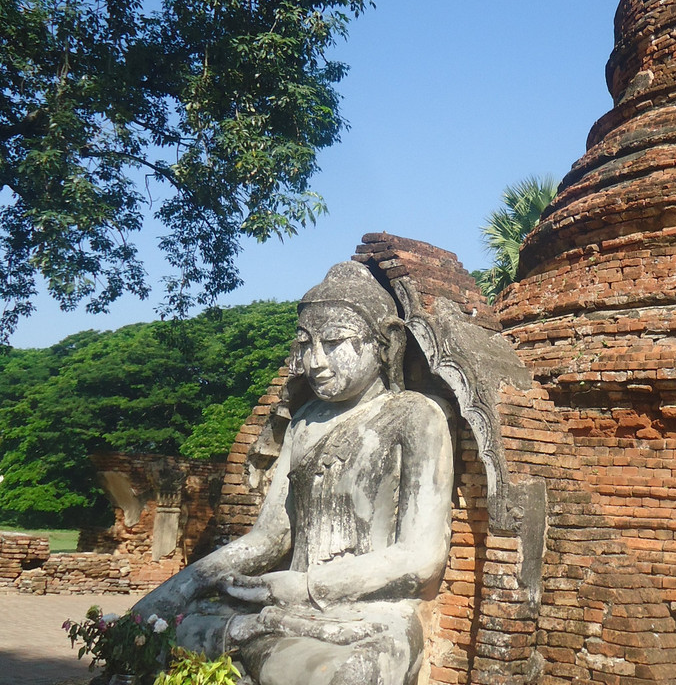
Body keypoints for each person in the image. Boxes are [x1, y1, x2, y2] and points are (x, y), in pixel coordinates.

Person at [134, 262, 454, 685]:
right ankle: (248, 641)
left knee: (343, 672)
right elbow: (270, 536)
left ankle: (254, 647)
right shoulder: (303, 422)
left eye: (334, 342)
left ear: (387, 344)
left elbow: (421, 558)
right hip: (281, 604)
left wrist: (305, 587)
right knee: (162, 631)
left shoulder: (414, 416)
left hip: (368, 613)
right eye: (305, 344)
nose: (315, 361)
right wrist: (180, 587)